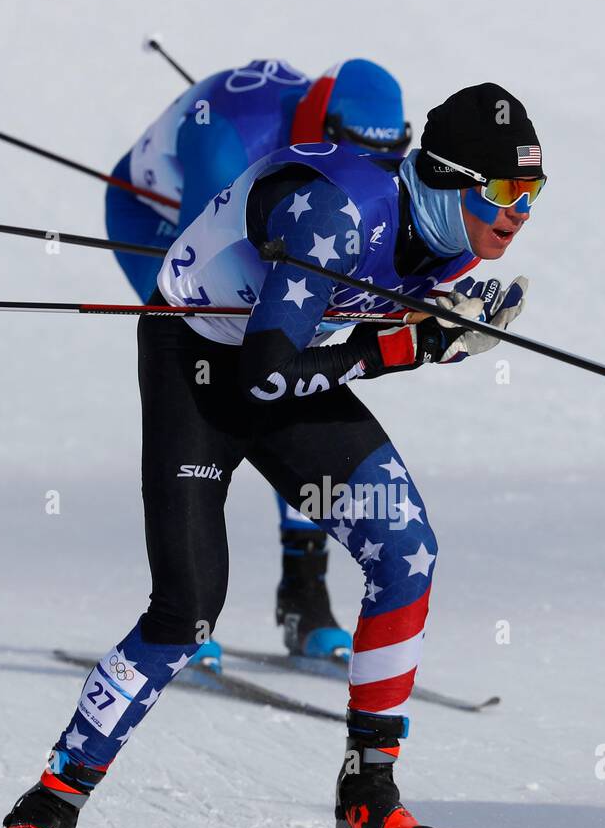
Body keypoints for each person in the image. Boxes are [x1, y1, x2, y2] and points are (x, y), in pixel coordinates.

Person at [0, 83, 542, 828]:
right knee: (186, 614)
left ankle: (369, 794)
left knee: (407, 551)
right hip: (201, 366)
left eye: (533, 195)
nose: (517, 212)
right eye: (502, 191)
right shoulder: (331, 217)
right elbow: (264, 376)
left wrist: (451, 324)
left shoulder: (459, 236)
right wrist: (412, 348)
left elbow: (339, 337)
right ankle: (48, 804)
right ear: (449, 177)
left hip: (289, 368)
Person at [107, 57, 413, 664]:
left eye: (389, 155)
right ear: (323, 125)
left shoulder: (348, 159)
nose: (370, 171)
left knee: (290, 375)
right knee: (221, 372)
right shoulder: (232, 133)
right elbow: (209, 268)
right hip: (163, 225)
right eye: (352, 150)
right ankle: (188, 597)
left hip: (273, 218)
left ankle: (304, 590)